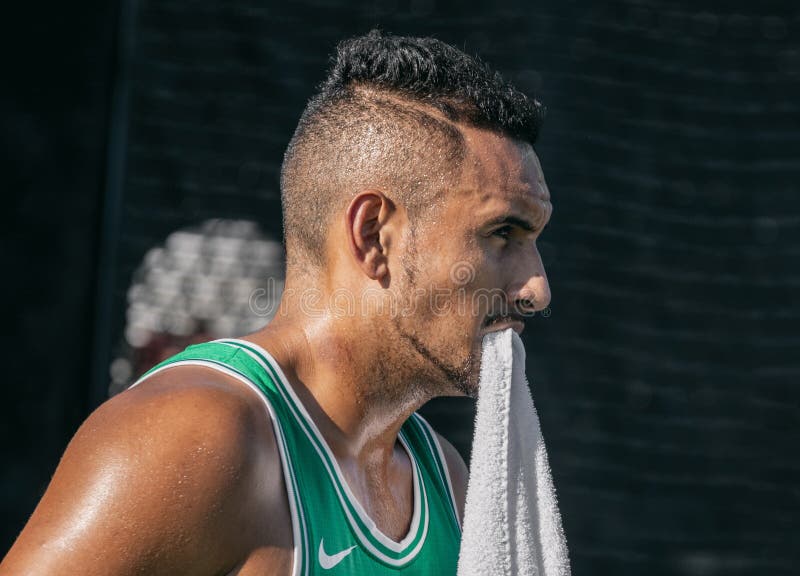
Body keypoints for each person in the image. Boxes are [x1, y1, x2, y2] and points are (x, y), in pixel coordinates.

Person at [1, 29, 552, 575]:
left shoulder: (445, 482)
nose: (537, 288)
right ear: (373, 236)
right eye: (503, 233)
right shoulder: (198, 436)